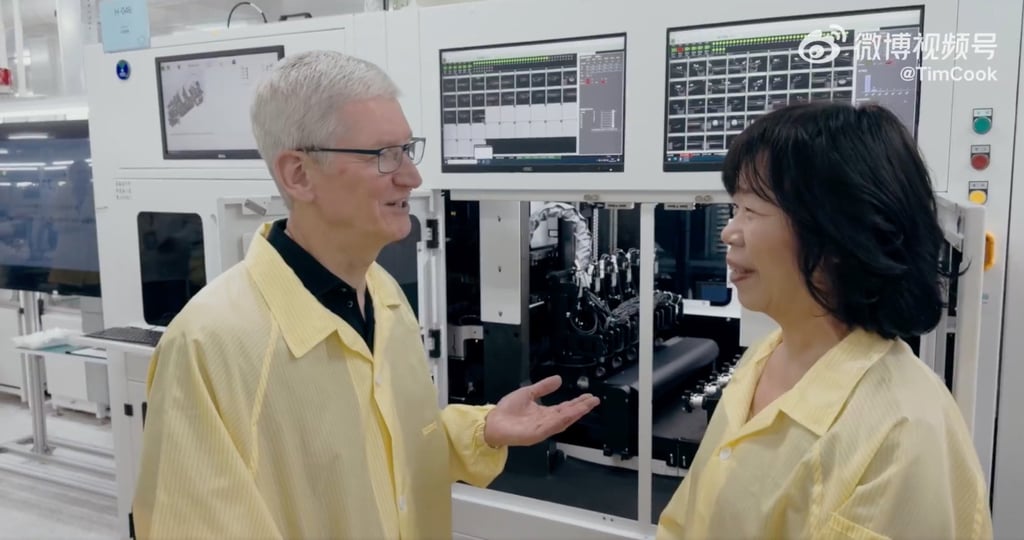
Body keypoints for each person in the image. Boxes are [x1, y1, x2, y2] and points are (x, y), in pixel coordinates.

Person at [132, 50, 600, 539]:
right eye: (383, 155)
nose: (411, 177)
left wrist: (482, 430)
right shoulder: (210, 344)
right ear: (299, 174)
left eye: (406, 149)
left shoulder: (385, 297)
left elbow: (381, 462)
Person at [656, 101, 993, 540]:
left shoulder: (902, 434)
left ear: (836, 232)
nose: (728, 231)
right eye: (733, 209)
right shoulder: (765, 357)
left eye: (751, 211)